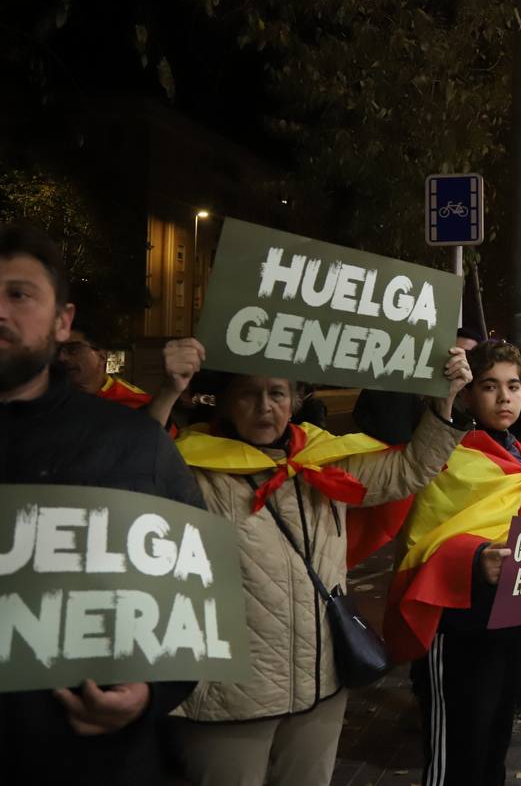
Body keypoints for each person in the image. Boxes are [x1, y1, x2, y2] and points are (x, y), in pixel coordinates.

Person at [159, 336, 470, 786]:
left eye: (277, 393)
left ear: (296, 400)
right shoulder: (189, 467)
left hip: (321, 684)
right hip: (229, 696)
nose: (265, 406)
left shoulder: (322, 460)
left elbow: (410, 470)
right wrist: (168, 393)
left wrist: (444, 403)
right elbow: (133, 475)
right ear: (225, 402)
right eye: (249, 393)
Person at [0, 223, 204, 786]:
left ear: (63, 321)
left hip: (93, 762)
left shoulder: (134, 444)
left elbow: (195, 598)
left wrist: (148, 694)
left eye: (18, 294)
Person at [386, 341, 521, 786]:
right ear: (468, 395)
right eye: (490, 386)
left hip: (509, 624)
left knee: (493, 748)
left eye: (514, 385)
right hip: (457, 628)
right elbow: (420, 541)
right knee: (457, 754)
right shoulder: (442, 456)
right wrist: (473, 562)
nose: (505, 397)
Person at [351, 326, 482, 443]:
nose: (459, 362)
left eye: (468, 356)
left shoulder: (475, 398)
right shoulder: (398, 391)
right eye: (454, 353)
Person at [56, 327, 153, 409]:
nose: (61, 358)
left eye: (73, 349)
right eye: (58, 350)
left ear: (102, 356)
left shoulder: (134, 403)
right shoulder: (53, 397)